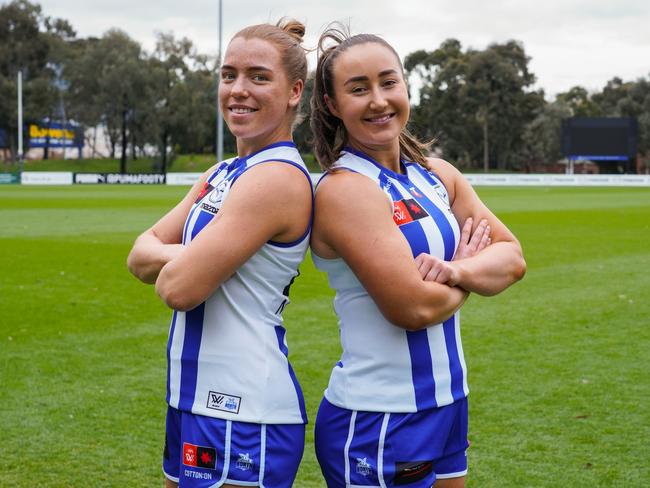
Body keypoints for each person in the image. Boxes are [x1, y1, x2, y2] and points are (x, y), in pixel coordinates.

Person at [309, 26, 526, 488]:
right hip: (380, 415)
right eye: (358, 88)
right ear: (332, 105)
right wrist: (467, 280)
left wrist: (455, 270)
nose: (378, 100)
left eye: (389, 82)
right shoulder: (345, 189)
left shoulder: (437, 175)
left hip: (448, 402)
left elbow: (511, 258)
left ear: (406, 86)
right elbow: (413, 308)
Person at [127, 19, 312, 488]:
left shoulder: (277, 177)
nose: (238, 90)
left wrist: (191, 262)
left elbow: (178, 288)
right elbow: (137, 256)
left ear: (294, 91)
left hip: (242, 407)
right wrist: (200, 255)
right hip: (191, 401)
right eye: (228, 75)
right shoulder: (222, 172)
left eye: (258, 76)